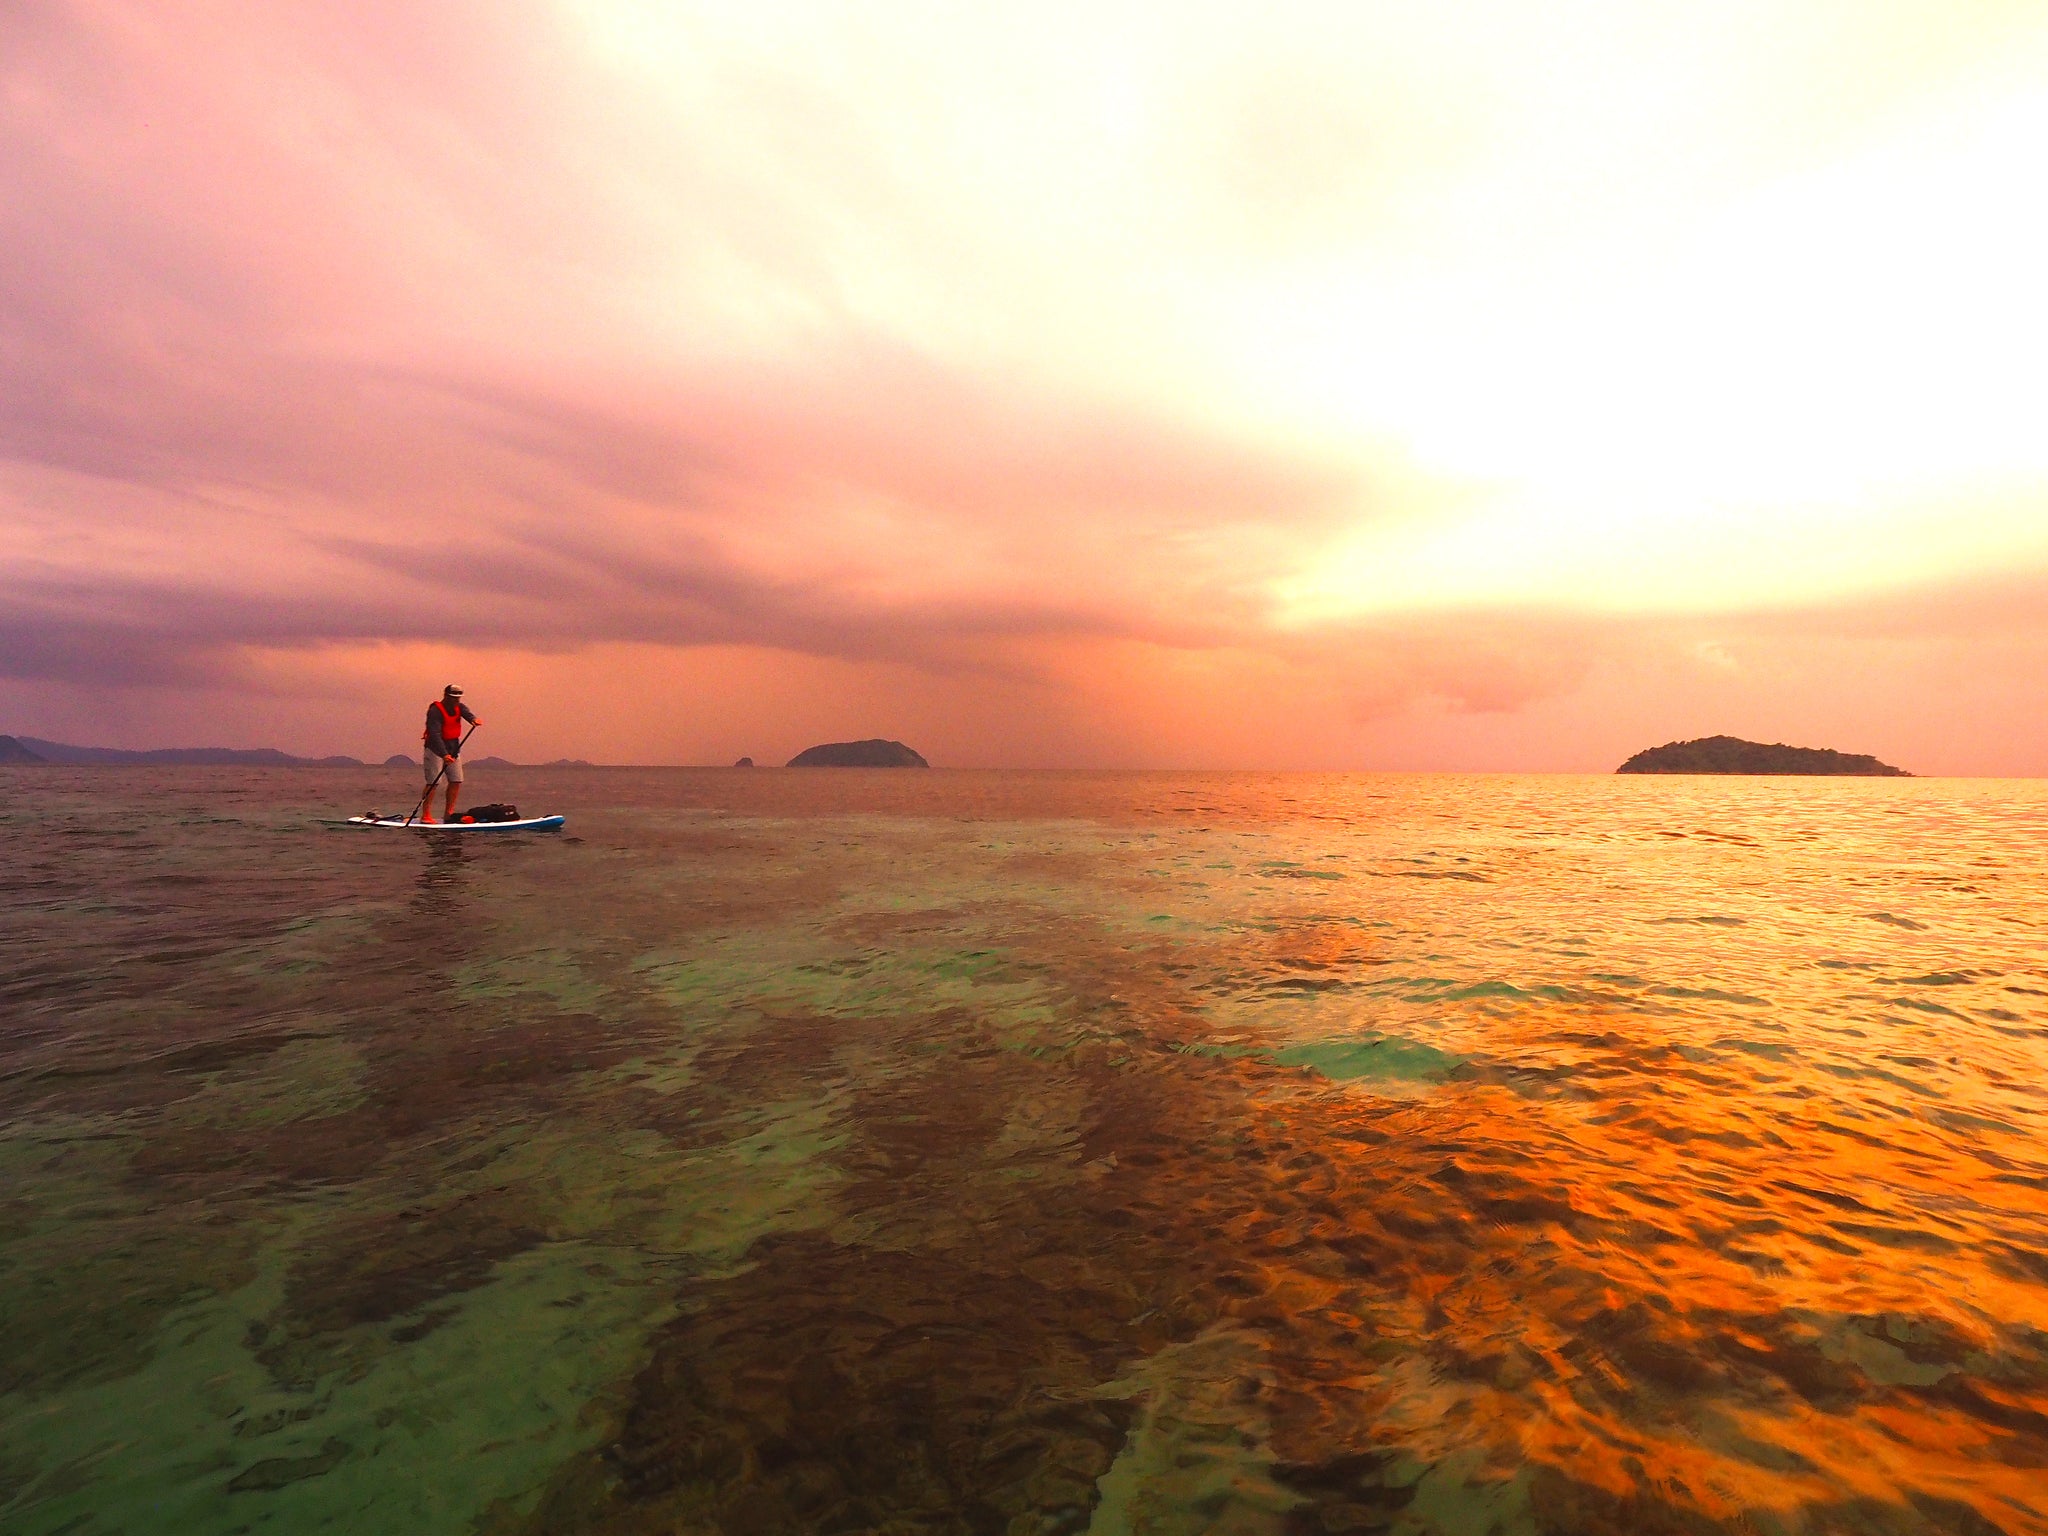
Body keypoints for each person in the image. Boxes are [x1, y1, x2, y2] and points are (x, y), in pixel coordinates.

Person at [420, 685, 480, 823]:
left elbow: (467, 714)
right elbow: (434, 734)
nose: (456, 701)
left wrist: (473, 720)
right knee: (433, 782)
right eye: (453, 698)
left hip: (453, 748)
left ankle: (448, 813)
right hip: (435, 749)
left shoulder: (460, 707)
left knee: (456, 780)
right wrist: (444, 754)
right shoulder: (435, 711)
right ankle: (426, 815)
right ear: (446, 696)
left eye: (458, 698)